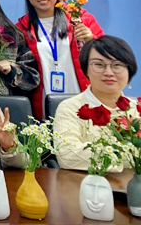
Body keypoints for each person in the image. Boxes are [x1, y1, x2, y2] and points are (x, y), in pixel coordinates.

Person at [16, 0, 104, 118]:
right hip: (44, 101)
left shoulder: (81, 18)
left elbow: (107, 52)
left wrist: (91, 39)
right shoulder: (21, 28)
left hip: (82, 95)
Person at [54, 36, 138, 171]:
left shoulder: (137, 109)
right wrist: (128, 156)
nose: (108, 73)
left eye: (117, 65)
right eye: (99, 65)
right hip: (85, 182)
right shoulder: (70, 108)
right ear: (86, 69)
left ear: (130, 70)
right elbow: (67, 155)